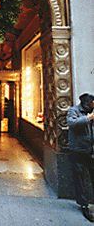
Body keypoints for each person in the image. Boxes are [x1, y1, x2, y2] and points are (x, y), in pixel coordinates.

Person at [67, 93, 94, 222]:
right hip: (77, 150)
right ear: (86, 103)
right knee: (80, 178)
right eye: (91, 103)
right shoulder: (74, 111)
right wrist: (88, 118)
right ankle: (84, 204)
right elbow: (71, 124)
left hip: (90, 150)